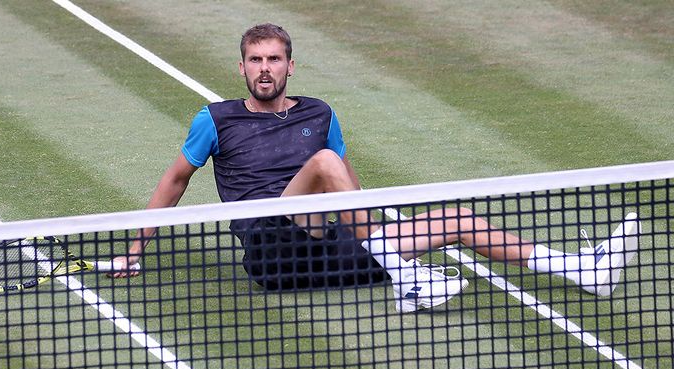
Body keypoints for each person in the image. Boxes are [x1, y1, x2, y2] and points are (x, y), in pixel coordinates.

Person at [110, 23, 640, 312]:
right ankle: (406, 276)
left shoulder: (319, 112)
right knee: (323, 161)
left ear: (290, 65)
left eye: (274, 59)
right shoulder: (216, 118)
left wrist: (374, 236)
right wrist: (134, 251)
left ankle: (581, 270)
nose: (265, 69)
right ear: (242, 66)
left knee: (453, 217)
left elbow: (349, 187)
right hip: (271, 252)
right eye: (255, 60)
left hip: (329, 249)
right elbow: (176, 180)